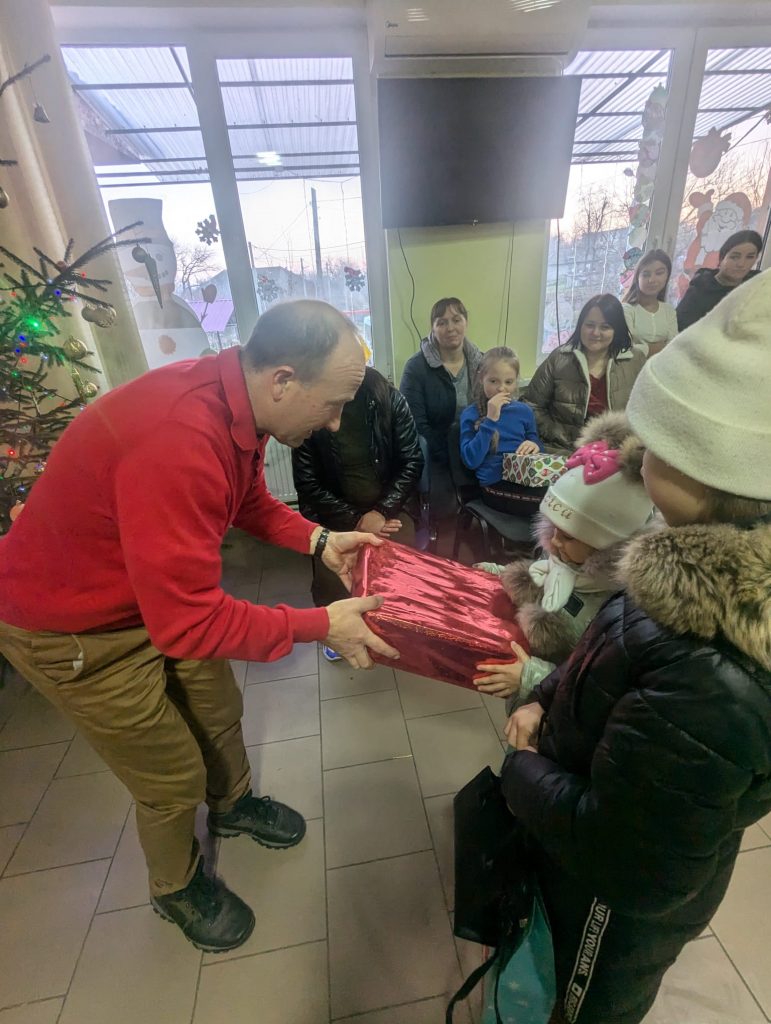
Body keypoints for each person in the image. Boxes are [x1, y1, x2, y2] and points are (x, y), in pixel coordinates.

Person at [0, 299, 400, 955]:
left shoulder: (232, 403)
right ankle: (174, 886)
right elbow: (188, 624)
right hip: (69, 629)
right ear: (281, 380)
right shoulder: (179, 438)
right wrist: (321, 625)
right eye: (331, 404)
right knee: (167, 775)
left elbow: (244, 502)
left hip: (141, 595)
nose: (333, 424)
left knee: (217, 705)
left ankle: (234, 803)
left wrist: (320, 539)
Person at [500, 271, 771, 1024]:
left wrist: (519, 769)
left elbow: (633, 867)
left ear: (712, 467)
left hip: (610, 908)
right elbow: (611, 649)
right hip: (589, 812)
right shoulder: (681, 556)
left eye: (653, 445)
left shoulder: (717, 676)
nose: (634, 458)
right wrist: (546, 697)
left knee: (582, 1006)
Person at [473, 413, 654, 710]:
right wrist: (497, 575)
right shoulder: (568, 560)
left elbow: (598, 684)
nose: (554, 542)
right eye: (552, 529)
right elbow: (541, 578)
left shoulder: (615, 608)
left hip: (559, 716)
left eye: (569, 537)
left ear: (607, 547)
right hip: (529, 704)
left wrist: (532, 677)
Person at [292, 365, 424, 659]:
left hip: (389, 508)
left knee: (400, 550)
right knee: (331, 562)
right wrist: (355, 521)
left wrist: (383, 510)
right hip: (335, 513)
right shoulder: (311, 408)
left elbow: (412, 460)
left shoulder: (389, 399)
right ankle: (339, 629)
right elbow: (307, 482)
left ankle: (393, 621)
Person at [525, 294, 646, 454]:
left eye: (605, 327)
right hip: (562, 451)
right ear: (580, 325)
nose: (595, 333)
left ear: (617, 330)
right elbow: (531, 405)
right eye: (590, 325)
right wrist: (559, 435)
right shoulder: (559, 358)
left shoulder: (634, 361)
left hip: (615, 455)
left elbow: (646, 410)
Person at [400, 297, 483, 514]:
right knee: (446, 513)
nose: (451, 328)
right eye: (442, 322)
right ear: (433, 328)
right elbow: (414, 424)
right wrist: (449, 452)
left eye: (457, 320)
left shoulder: (483, 364)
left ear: (466, 322)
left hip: (477, 447)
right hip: (437, 452)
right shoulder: (416, 368)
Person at [459, 346, 542, 514]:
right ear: (482, 378)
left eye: (508, 382)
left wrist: (534, 445)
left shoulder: (524, 411)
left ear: (516, 381)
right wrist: (490, 420)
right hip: (493, 485)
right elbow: (471, 461)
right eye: (493, 381)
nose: (501, 388)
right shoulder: (470, 414)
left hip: (525, 478)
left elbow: (537, 442)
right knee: (551, 504)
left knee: (562, 495)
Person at [676, 228, 762, 331]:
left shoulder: (758, 284)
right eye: (734, 257)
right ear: (722, 258)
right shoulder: (700, 289)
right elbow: (681, 330)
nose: (741, 264)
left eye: (750, 257)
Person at [621, 248, 677, 357]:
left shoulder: (669, 311)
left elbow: (674, 348)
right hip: (633, 370)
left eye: (659, 273)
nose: (652, 280)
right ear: (638, 278)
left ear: (667, 275)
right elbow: (625, 350)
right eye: (646, 274)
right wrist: (657, 347)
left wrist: (642, 348)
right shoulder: (627, 309)